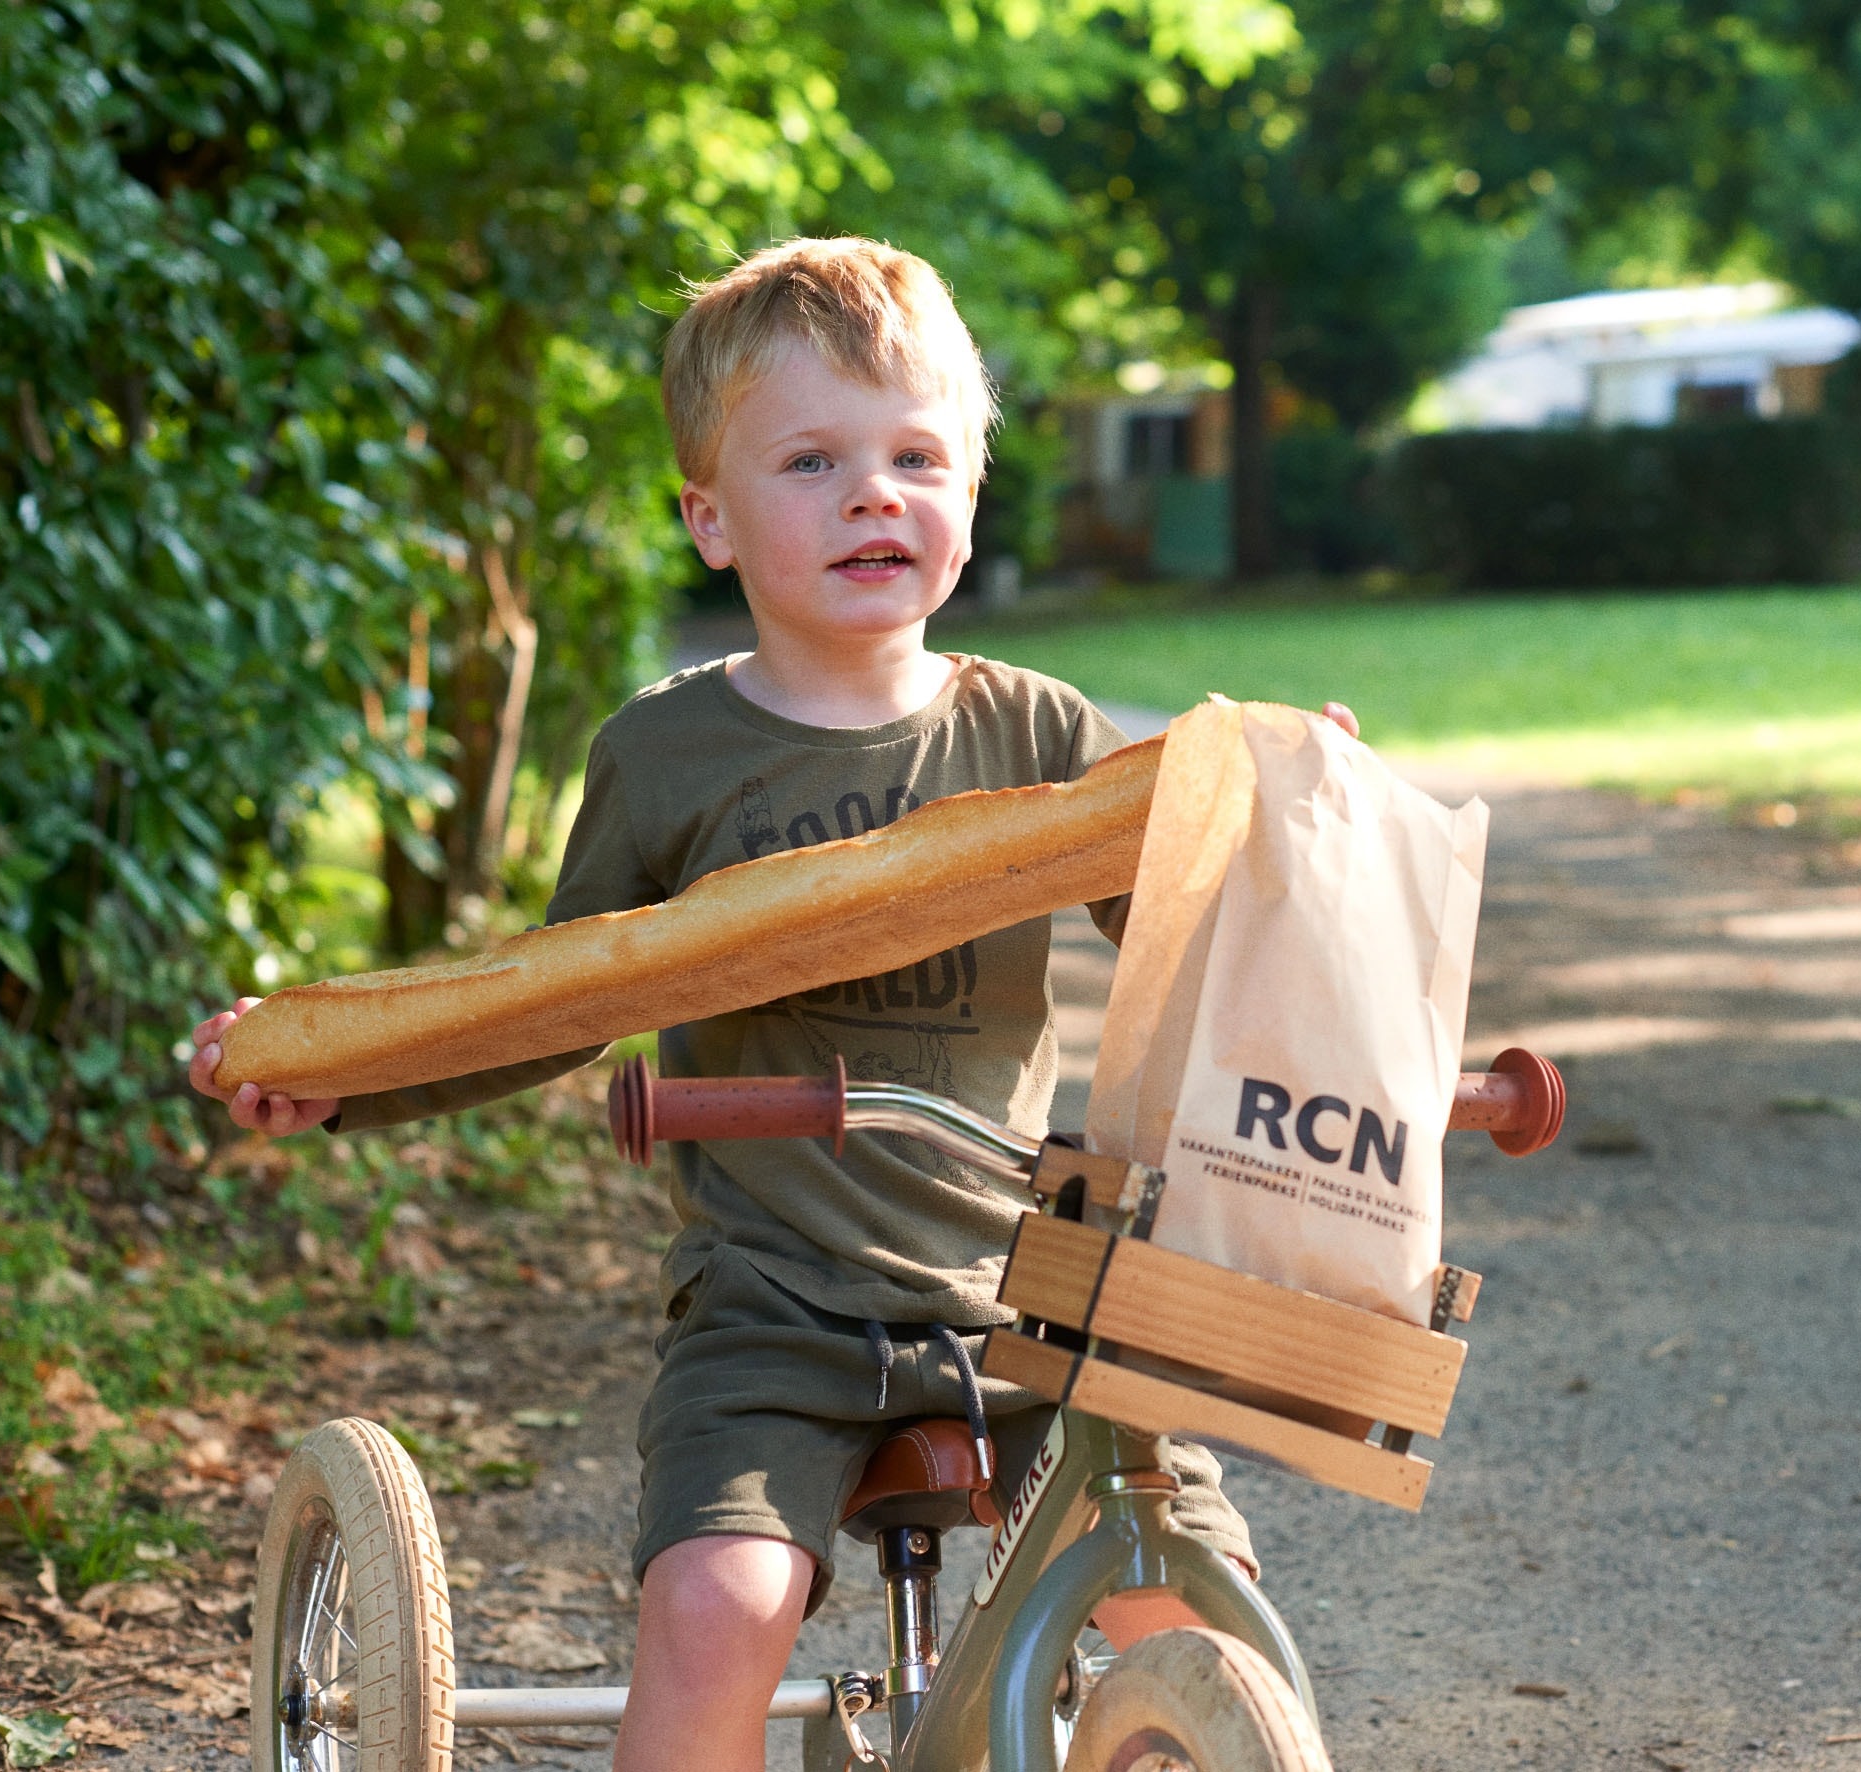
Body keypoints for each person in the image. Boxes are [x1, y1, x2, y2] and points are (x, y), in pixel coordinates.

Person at [188, 236, 1357, 1772]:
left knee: (1192, 1600)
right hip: (775, 1292)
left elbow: (1194, 940)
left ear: (967, 492)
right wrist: (353, 1078)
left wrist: (1290, 817)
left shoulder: (1041, 734)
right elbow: (553, 998)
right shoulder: (671, 757)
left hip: (1021, 1280)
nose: (874, 494)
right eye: (812, 461)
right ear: (710, 518)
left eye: (916, 456)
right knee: (716, 1611)